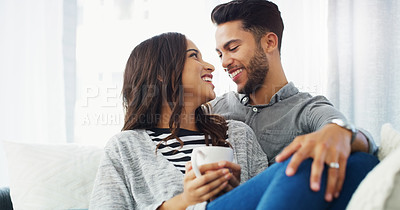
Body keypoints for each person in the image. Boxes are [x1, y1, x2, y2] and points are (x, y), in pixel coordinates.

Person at [210, 0, 378, 204]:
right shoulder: (214, 109)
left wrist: (339, 131)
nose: (224, 62)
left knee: (362, 162)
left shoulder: (307, 108)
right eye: (220, 54)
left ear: (270, 42)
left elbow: (348, 132)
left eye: (233, 48)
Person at [89, 32, 269, 209]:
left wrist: (235, 196)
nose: (210, 66)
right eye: (193, 56)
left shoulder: (238, 135)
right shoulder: (124, 147)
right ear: (160, 71)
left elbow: (270, 199)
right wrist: (186, 200)